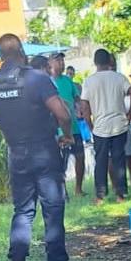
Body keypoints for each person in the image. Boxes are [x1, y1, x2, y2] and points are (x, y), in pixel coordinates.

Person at [0, 34, 77, 261]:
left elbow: (0, 118)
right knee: (53, 209)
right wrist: (66, 135)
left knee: (22, 212)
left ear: (1, 56)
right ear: (22, 51)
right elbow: (62, 113)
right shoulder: (36, 79)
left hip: (16, 153)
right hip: (44, 150)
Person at [80, 48, 131, 204]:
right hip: (119, 125)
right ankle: (120, 194)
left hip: (100, 127)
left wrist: (89, 123)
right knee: (119, 160)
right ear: (109, 61)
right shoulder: (119, 78)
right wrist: (129, 113)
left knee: (101, 161)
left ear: (95, 62)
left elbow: (84, 105)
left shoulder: (89, 81)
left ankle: (100, 195)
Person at [50, 53, 86, 197]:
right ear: (50, 63)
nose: (62, 63)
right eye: (58, 60)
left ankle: (78, 188)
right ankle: (62, 191)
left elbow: (76, 97)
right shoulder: (48, 81)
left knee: (80, 156)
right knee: (61, 162)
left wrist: (79, 107)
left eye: (63, 60)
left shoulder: (67, 80)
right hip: (58, 130)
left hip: (74, 127)